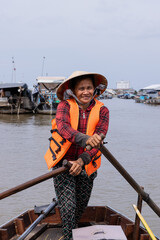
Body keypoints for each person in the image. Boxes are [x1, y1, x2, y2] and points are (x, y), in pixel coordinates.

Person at [44, 71, 109, 240]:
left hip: (86, 164)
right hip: (63, 165)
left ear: (95, 89)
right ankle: (68, 237)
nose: (85, 92)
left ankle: (71, 231)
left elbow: (99, 140)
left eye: (89, 88)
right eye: (81, 88)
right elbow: (64, 129)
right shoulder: (64, 106)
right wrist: (88, 139)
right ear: (73, 90)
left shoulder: (103, 110)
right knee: (68, 207)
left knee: (80, 207)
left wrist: (80, 161)